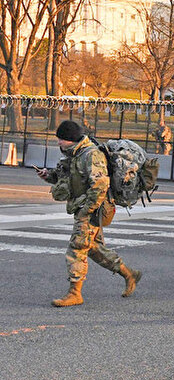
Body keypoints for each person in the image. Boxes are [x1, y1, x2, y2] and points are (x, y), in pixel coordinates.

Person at [37, 120, 142, 307]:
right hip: (84, 207)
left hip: (92, 209)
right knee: (93, 248)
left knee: (77, 248)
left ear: (70, 139)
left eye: (60, 140)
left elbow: (100, 186)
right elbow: (67, 176)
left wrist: (86, 211)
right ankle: (129, 274)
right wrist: (48, 176)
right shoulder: (74, 154)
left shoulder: (91, 155)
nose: (58, 143)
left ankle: (74, 293)